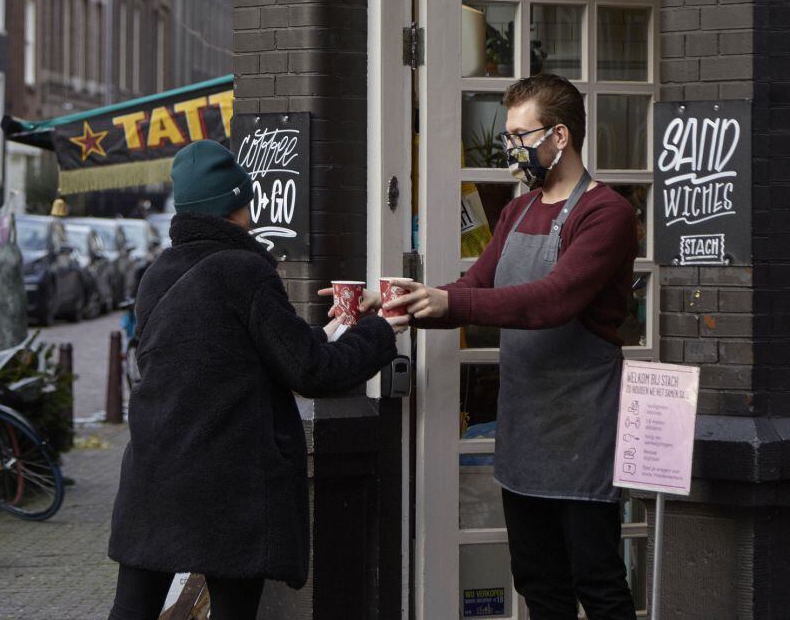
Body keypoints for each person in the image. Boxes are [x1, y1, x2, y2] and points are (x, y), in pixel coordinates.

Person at [107, 140, 406, 620]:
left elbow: (236, 353)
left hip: (154, 470)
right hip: (227, 483)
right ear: (237, 203)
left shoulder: (156, 275)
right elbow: (310, 371)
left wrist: (334, 329)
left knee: (133, 609)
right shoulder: (244, 270)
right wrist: (380, 330)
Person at [384, 75, 640, 619]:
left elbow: (552, 300)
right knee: (537, 583)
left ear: (560, 136)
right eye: (509, 135)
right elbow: (476, 286)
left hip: (581, 429)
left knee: (597, 582)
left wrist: (450, 305)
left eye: (521, 135)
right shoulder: (517, 211)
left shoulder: (606, 214)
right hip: (524, 429)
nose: (511, 147)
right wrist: (399, 304)